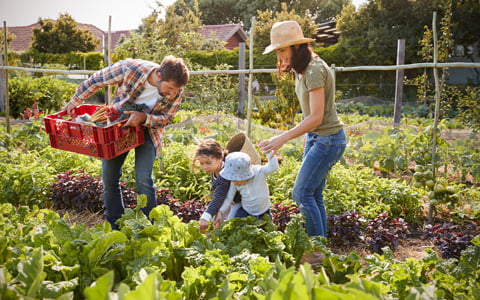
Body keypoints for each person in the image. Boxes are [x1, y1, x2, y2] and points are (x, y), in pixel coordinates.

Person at [63, 56, 190, 230]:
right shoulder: (131, 69)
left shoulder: (177, 89)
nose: (173, 93)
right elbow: (97, 80)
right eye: (170, 88)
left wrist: (143, 118)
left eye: (176, 90)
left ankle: (148, 228)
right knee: (109, 176)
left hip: (148, 131)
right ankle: (116, 225)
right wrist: (75, 101)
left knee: (143, 178)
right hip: (118, 127)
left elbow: (166, 118)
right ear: (159, 76)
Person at [258, 21, 347, 264]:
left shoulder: (315, 69)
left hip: (328, 140)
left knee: (301, 193)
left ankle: (317, 254)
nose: (279, 55)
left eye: (282, 50)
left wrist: (281, 139)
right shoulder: (303, 69)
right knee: (314, 194)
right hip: (317, 138)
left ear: (297, 47)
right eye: (277, 50)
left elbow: (316, 117)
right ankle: (321, 249)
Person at [214, 151, 279, 226]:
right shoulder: (234, 182)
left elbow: (273, 167)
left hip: (263, 212)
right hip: (245, 212)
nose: (234, 182)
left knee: (266, 231)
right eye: (232, 179)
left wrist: (268, 151)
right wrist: (220, 212)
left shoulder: (259, 172)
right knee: (235, 227)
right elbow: (229, 198)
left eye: (237, 180)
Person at [194, 139, 241, 234]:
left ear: (220, 158)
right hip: (228, 200)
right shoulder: (215, 168)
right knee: (215, 223)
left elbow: (219, 197)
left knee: (229, 227)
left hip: (240, 202)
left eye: (208, 163)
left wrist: (206, 217)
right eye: (201, 163)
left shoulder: (226, 173)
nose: (204, 167)